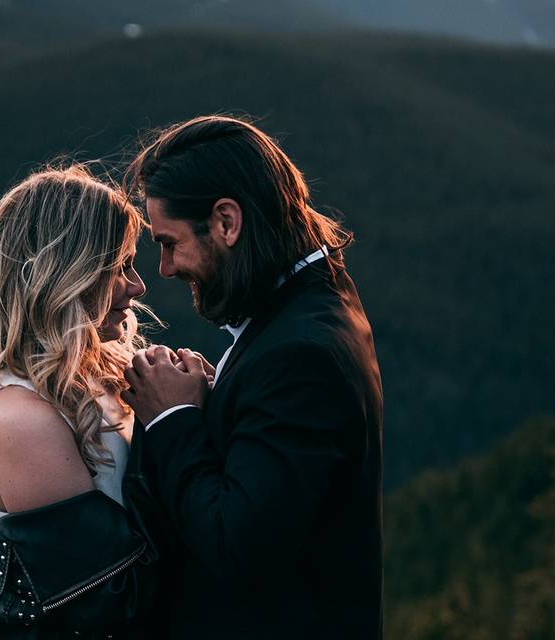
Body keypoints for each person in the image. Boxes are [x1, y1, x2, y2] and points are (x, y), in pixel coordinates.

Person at [121, 115, 384, 639]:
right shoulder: (311, 304)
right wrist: (213, 395)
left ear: (226, 222)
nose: (166, 269)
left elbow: (235, 544)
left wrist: (174, 418)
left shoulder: (302, 354)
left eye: (169, 242)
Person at [0, 165, 161, 639]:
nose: (137, 286)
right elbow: (111, 599)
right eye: (120, 266)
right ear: (67, 272)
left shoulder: (96, 376)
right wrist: (174, 422)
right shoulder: (19, 418)